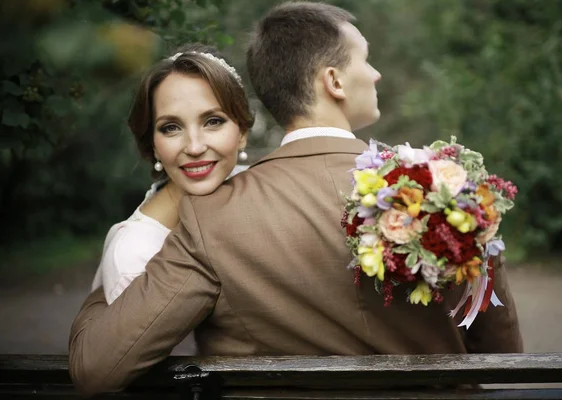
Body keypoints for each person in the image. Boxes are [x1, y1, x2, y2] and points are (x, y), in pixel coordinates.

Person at [69, 2, 523, 397]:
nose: (376, 72)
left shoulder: (211, 217)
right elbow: (501, 356)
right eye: (365, 59)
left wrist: (100, 287)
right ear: (334, 81)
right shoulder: (443, 188)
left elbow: (98, 367)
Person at [90, 43, 254, 305]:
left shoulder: (262, 192)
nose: (195, 147)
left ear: (242, 132)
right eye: (171, 128)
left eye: (213, 121)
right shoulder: (135, 255)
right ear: (153, 145)